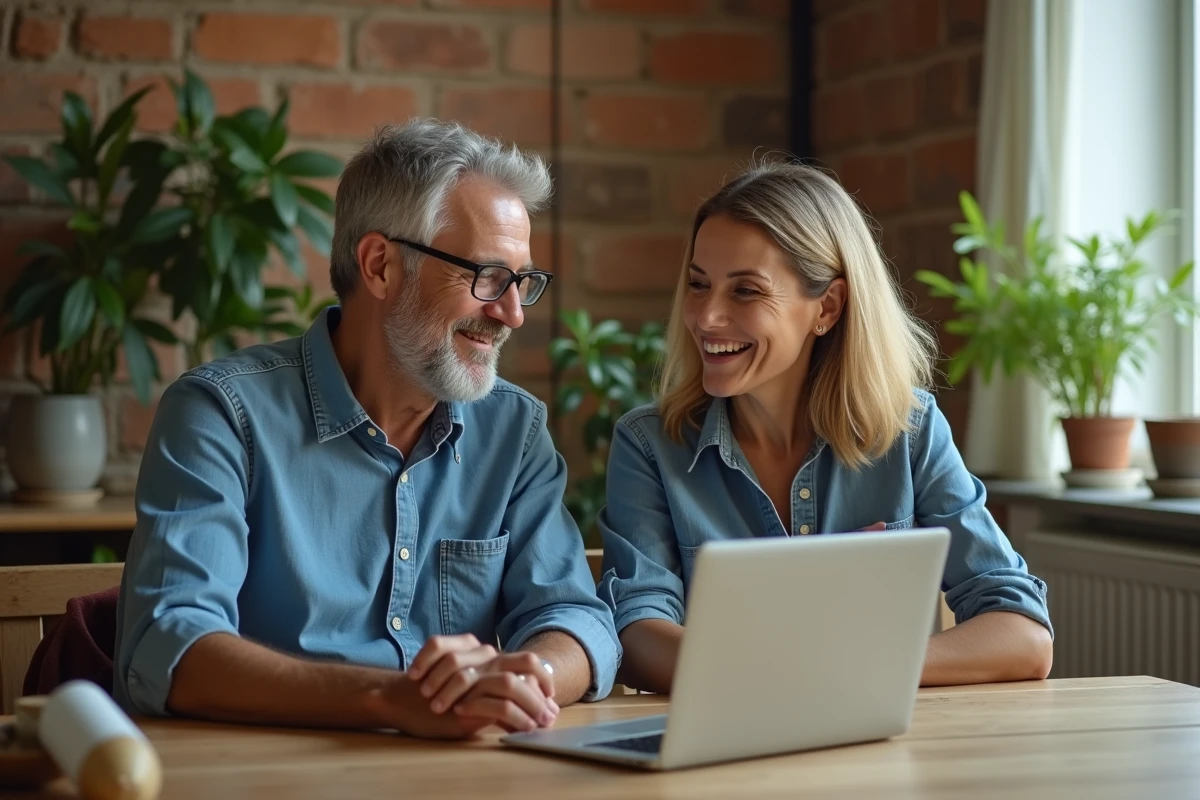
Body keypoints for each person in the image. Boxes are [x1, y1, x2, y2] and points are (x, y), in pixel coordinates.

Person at [114, 119, 620, 739]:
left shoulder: (514, 432)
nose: (511, 313)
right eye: (487, 277)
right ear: (380, 265)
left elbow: (577, 619)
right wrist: (390, 699)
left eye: (522, 283)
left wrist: (524, 677)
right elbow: (169, 647)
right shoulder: (220, 416)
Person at [597, 161, 1053, 695]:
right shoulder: (651, 445)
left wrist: (853, 670)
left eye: (745, 291)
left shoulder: (910, 430)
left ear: (827, 307)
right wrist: (811, 670)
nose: (706, 317)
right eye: (699, 285)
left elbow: (1024, 635)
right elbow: (635, 634)